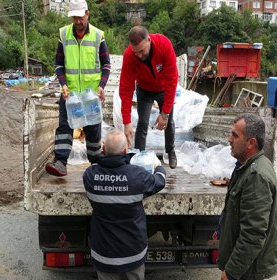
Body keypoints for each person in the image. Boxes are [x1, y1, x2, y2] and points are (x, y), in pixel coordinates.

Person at [83, 129, 166, 280]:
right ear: (125, 150)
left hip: (103, 255)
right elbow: (159, 181)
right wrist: (158, 166)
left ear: (103, 149)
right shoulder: (137, 176)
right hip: (133, 254)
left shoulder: (89, 176)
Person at [45, 0, 111, 177]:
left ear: (87, 14)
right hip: (70, 94)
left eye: (80, 17)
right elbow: (59, 65)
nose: (78, 21)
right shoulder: (64, 34)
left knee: (93, 131)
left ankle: (96, 165)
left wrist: (102, 86)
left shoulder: (98, 36)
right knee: (65, 127)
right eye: (74, 17)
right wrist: (63, 84)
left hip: (90, 96)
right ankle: (60, 162)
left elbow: (106, 65)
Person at [217, 114, 277, 280]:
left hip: (248, 271)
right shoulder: (248, 165)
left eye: (235, 135)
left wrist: (231, 273)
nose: (229, 139)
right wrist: (222, 230)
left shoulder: (255, 176)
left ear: (251, 143)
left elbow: (253, 235)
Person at [119, 26, 178, 169]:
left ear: (149, 41)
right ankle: (139, 156)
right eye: (135, 52)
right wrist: (126, 122)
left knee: (168, 122)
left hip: (163, 89)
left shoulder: (164, 44)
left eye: (141, 51)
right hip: (144, 89)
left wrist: (164, 113)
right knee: (142, 123)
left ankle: (170, 151)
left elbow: (172, 80)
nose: (138, 55)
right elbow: (126, 88)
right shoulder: (129, 55)